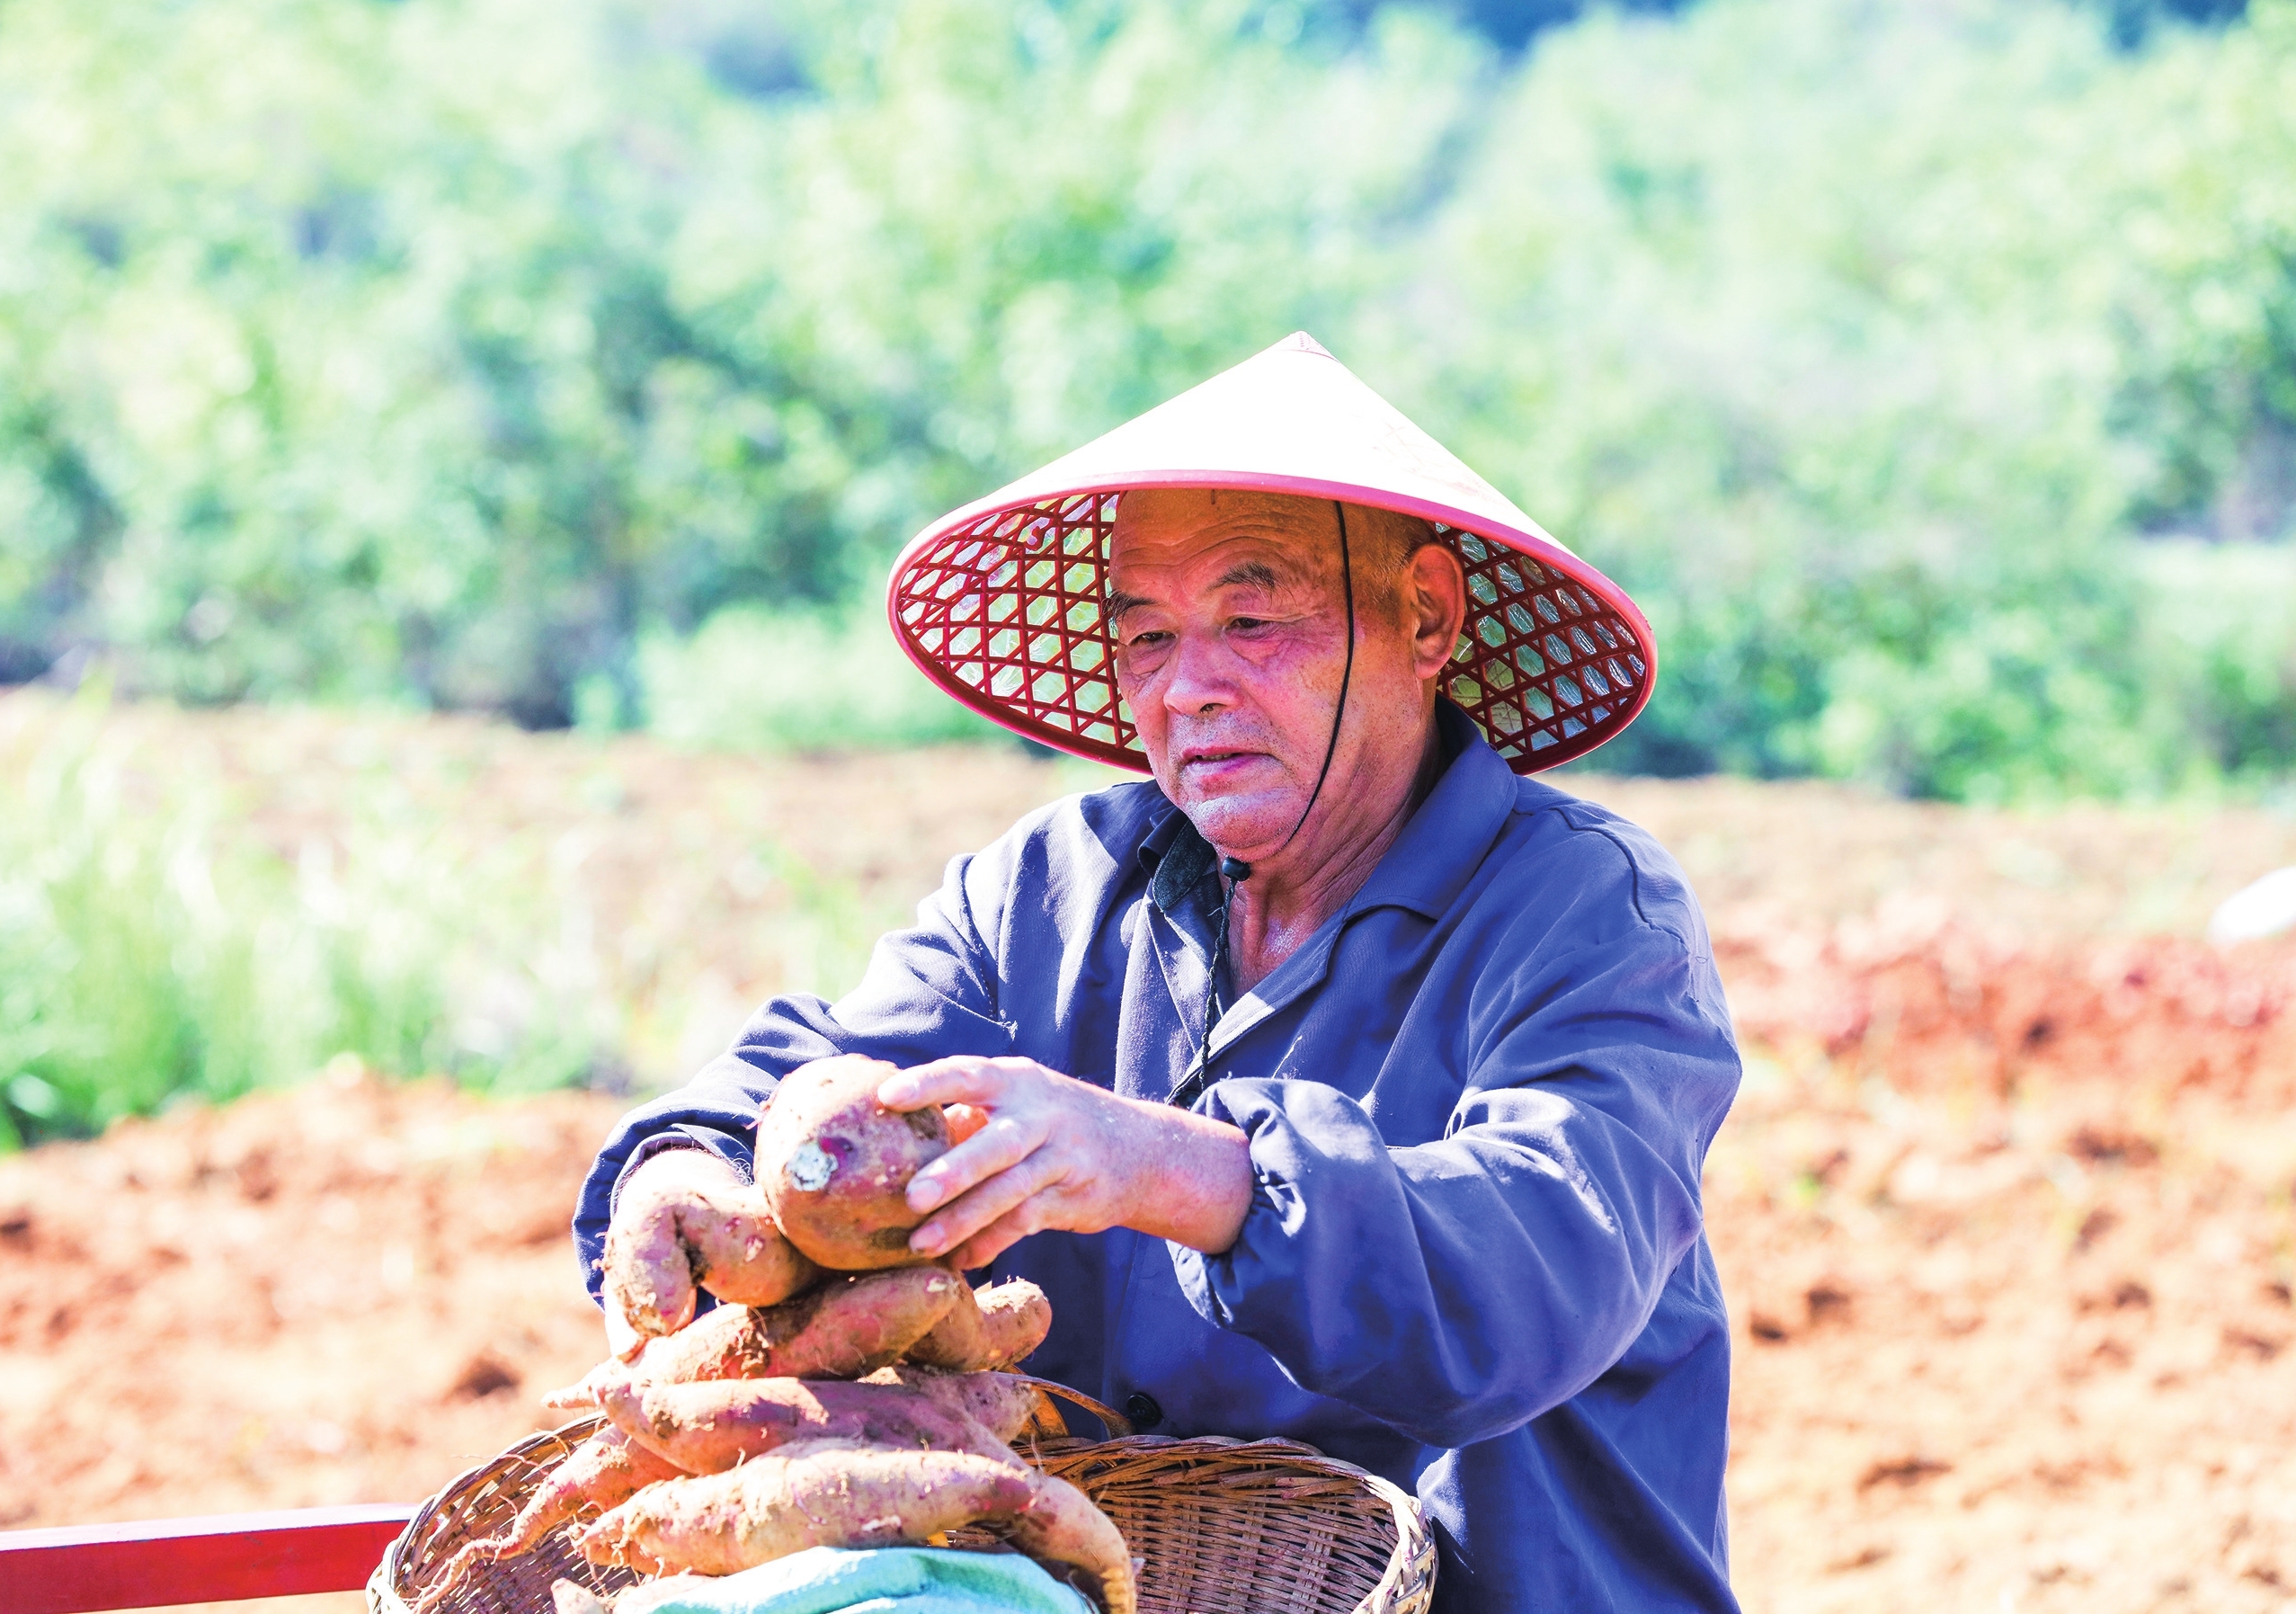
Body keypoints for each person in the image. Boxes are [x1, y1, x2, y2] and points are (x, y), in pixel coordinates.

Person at [574, 334, 1741, 1613]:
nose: (1188, 688)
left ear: (1422, 618)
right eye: (1144, 638)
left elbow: (1528, 1270)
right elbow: (821, 1077)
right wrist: (689, 1166)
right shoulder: (1053, 886)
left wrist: (1160, 1166)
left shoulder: (1585, 914)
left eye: (1251, 620)